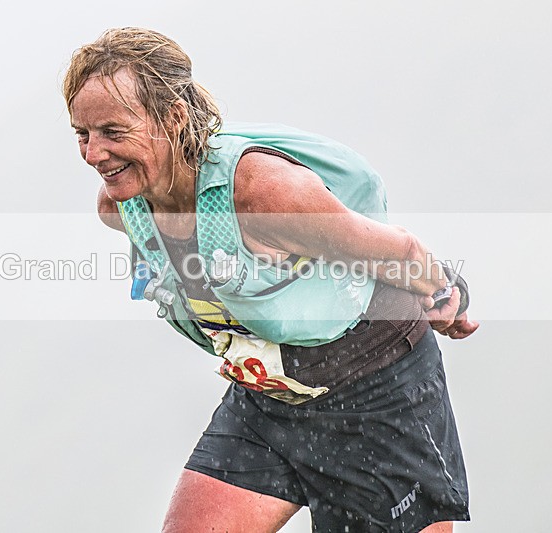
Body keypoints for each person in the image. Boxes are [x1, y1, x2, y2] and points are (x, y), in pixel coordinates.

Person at [62, 27, 479, 533]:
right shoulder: (122, 207)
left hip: (377, 400)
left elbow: (403, 251)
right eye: (82, 134)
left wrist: (444, 293)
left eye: (112, 131)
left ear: (171, 117)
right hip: (271, 404)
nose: (92, 154)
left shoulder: (263, 195)